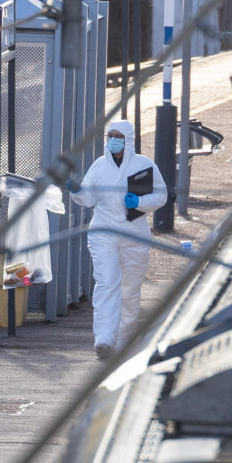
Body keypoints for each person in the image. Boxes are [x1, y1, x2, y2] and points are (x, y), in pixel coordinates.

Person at [68, 120, 167, 360]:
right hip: (104, 230)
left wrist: (140, 203)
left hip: (135, 232)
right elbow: (89, 198)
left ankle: (124, 341)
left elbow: (161, 194)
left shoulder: (144, 165)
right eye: (110, 135)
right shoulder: (100, 166)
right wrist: (77, 190)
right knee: (106, 283)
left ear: (129, 139)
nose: (113, 140)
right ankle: (104, 340)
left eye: (118, 136)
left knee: (130, 290)